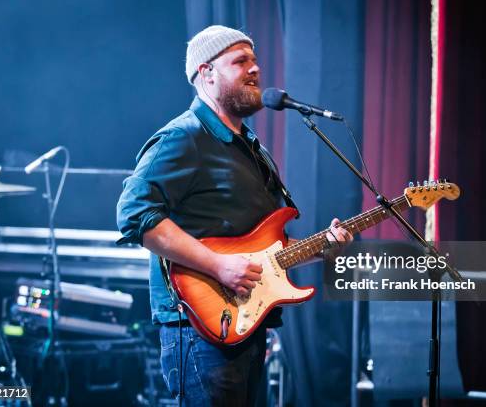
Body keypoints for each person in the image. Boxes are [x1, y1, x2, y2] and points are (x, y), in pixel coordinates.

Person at [116, 25, 352, 406]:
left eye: (255, 61)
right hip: (198, 330)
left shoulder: (251, 149)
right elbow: (133, 214)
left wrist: (322, 247)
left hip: (245, 326)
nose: (255, 69)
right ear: (207, 74)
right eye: (240, 61)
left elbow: (265, 250)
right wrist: (219, 266)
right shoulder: (184, 137)